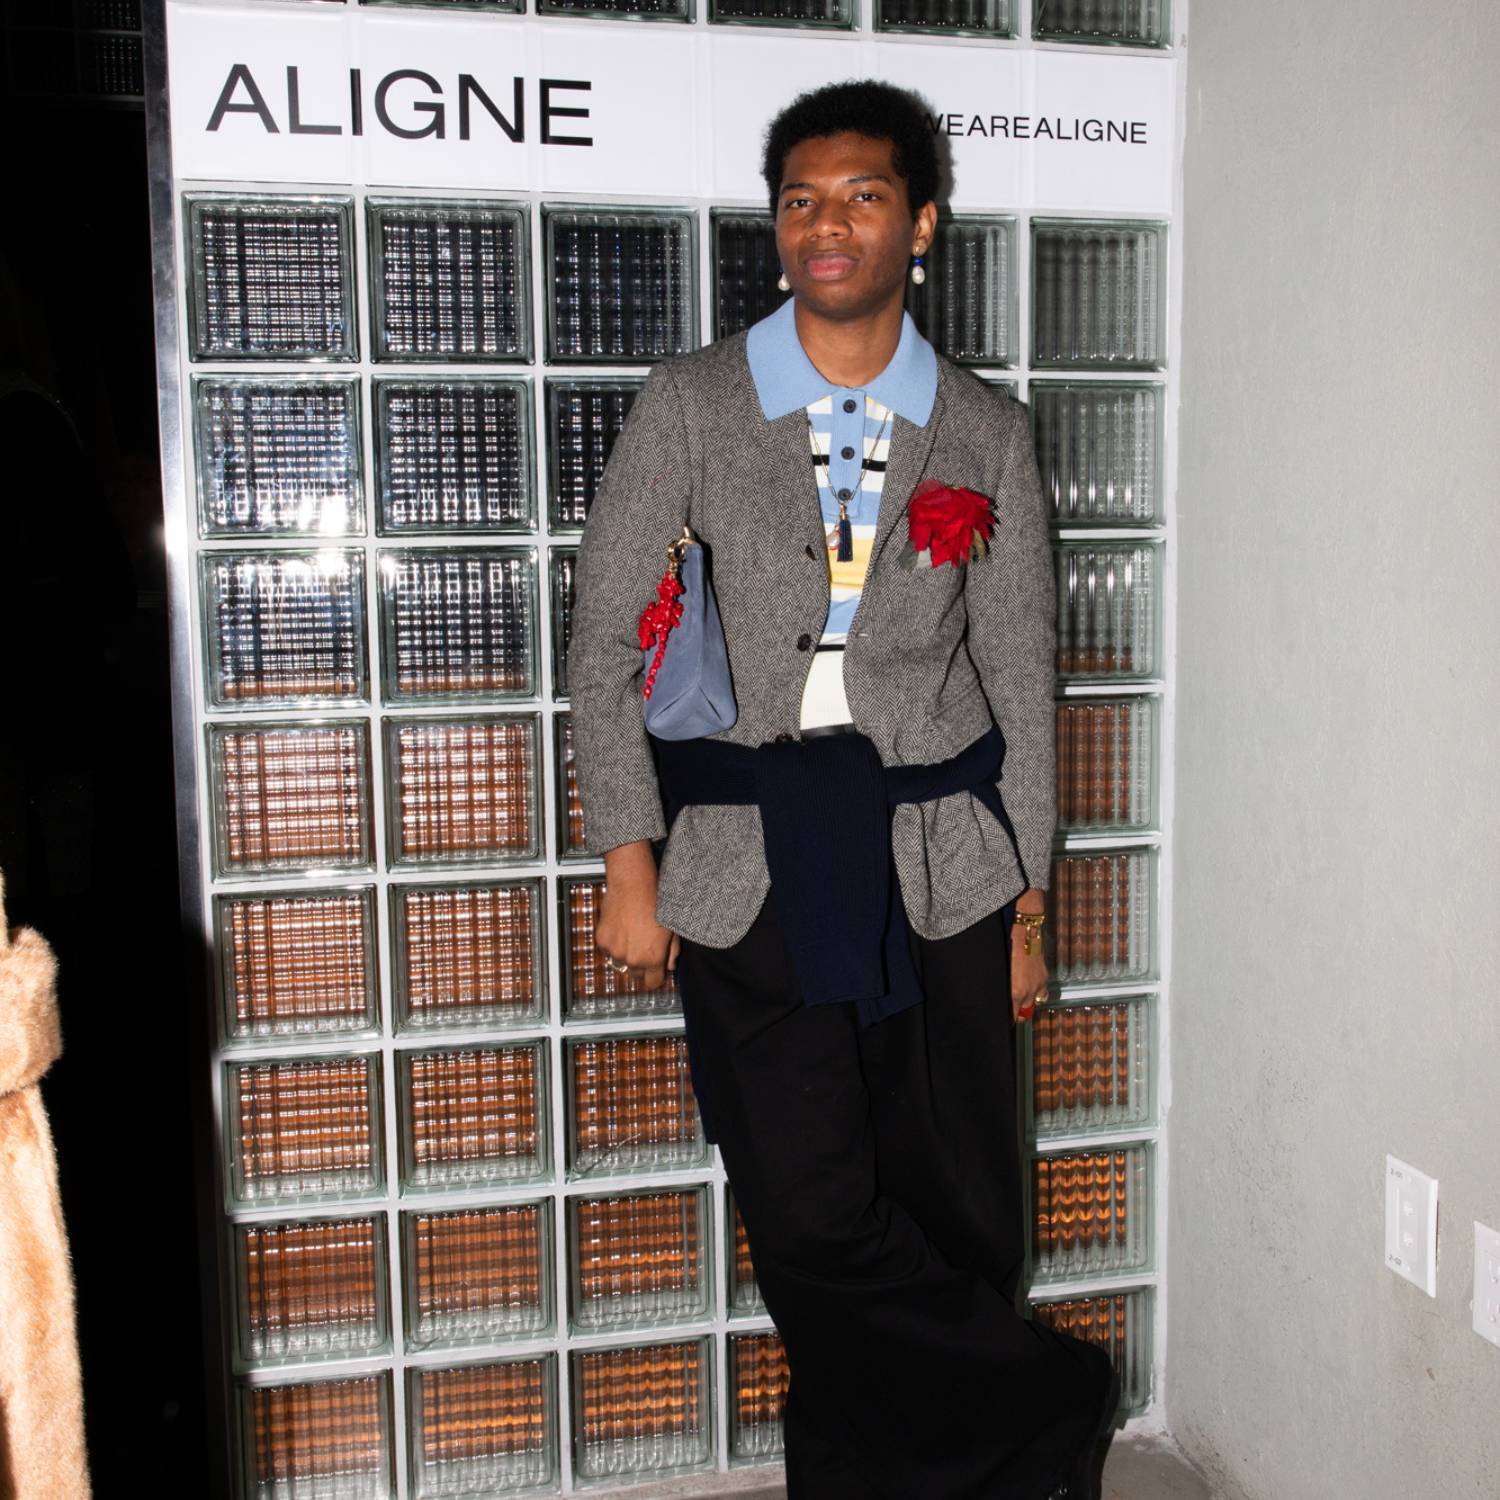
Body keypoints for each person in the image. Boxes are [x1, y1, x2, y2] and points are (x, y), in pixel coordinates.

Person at [568, 79, 1119, 1500]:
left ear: (920, 224)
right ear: (777, 227)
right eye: (801, 200)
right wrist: (627, 860)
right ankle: (1048, 1399)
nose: (828, 224)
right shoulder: (692, 404)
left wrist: (1031, 908)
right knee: (810, 1214)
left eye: (864, 196)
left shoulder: (983, 431)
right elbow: (602, 644)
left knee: (955, 1206)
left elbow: (1021, 682)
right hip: (746, 859)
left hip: (943, 863)